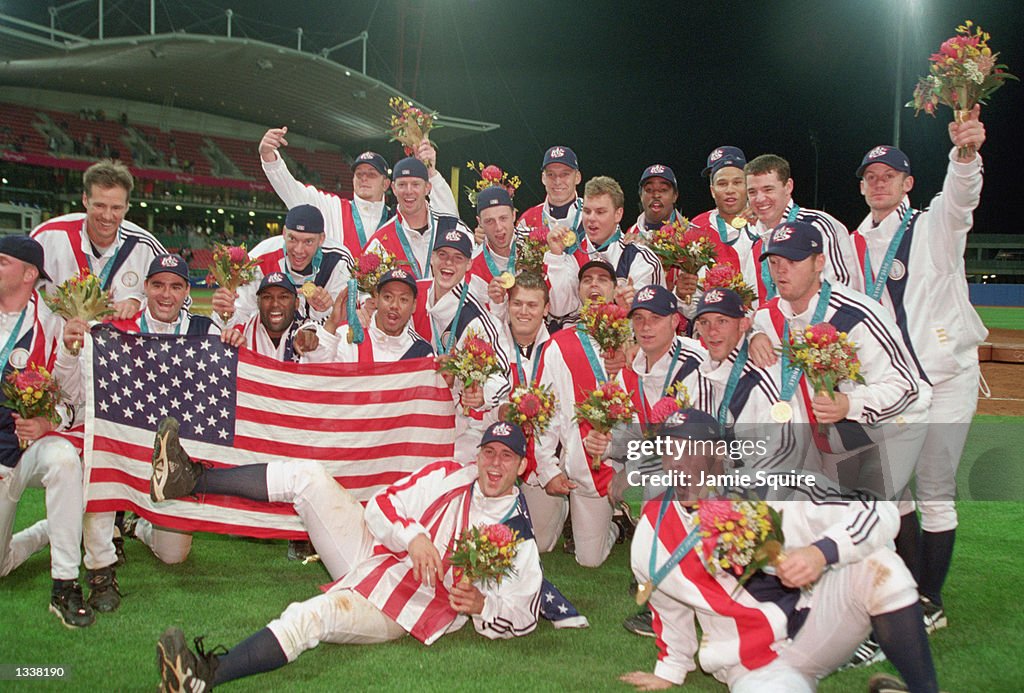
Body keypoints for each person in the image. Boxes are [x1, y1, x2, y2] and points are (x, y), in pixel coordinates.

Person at [152, 420, 541, 691]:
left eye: (507, 457)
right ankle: (190, 479)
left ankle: (204, 676)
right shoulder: (451, 474)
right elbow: (383, 504)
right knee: (308, 477)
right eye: (489, 452)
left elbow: (525, 614)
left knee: (312, 614)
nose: (494, 463)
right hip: (375, 554)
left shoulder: (517, 536)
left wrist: (482, 605)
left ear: (522, 467)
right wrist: (414, 536)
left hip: (403, 607)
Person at [620, 408, 942, 693]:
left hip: (818, 622)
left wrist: (821, 553)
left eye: (690, 448)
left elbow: (877, 511)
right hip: (752, 662)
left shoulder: (771, 487)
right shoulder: (653, 532)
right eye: (669, 450)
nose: (676, 462)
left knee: (879, 566)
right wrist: (671, 669)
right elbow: (667, 607)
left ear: (719, 453)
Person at [850, 105, 988, 630]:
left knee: (933, 487)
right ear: (863, 187)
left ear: (908, 182)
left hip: (946, 377)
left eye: (889, 176)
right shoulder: (857, 242)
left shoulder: (935, 226)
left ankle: (930, 599)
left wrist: (965, 153)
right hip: (894, 386)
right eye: (871, 177)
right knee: (891, 488)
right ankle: (906, 584)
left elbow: (962, 197)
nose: (879, 183)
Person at [747, 221, 929, 501]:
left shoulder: (857, 315)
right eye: (774, 261)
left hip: (892, 427)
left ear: (819, 262)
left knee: (864, 512)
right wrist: (753, 335)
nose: (781, 270)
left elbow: (906, 386)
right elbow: (746, 328)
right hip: (830, 439)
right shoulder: (767, 317)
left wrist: (849, 404)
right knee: (826, 509)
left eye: (793, 261)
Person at [0, 236, 97, 627]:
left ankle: (65, 582)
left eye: (2, 261)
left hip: (28, 448)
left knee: (63, 459)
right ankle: (49, 530)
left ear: (29, 274)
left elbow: (76, 403)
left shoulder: (56, 325)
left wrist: (48, 422)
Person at [110, 254, 220, 565]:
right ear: (145, 287)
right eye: (158, 285)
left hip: (175, 455)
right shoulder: (120, 327)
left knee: (173, 556)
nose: (165, 294)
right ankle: (113, 518)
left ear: (187, 291)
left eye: (175, 286)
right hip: (126, 448)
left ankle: (140, 525)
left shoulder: (204, 330)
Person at [531, 260, 631, 567]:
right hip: (586, 474)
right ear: (579, 291)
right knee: (586, 559)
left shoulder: (640, 338)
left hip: (633, 466)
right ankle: (582, 515)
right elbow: (545, 414)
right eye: (587, 280)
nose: (595, 285)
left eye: (603, 280)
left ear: (615, 290)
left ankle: (625, 516)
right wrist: (548, 469)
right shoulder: (559, 346)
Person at [32, 159, 170, 320]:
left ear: (126, 206)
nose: (107, 216)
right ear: (85, 200)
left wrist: (139, 302)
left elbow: (181, 300)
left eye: (116, 208)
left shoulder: (145, 246)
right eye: (99, 205)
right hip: (63, 342)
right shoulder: (48, 237)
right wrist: (49, 323)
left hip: (120, 343)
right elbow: (15, 292)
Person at [212, 205, 352, 330]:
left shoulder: (339, 263)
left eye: (308, 241)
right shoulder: (260, 258)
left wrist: (324, 311)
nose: (298, 250)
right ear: (284, 233)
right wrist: (227, 314)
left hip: (319, 350)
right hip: (270, 346)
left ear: (321, 239)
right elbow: (241, 315)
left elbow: (346, 325)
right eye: (292, 239)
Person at [744, 154, 861, 303]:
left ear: (788, 187)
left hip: (819, 324)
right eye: (752, 192)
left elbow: (843, 288)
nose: (759, 199)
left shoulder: (817, 225)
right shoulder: (756, 240)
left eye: (768, 189)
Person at [364, 158, 473, 283]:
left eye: (415, 184)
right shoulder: (381, 240)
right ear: (394, 188)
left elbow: (475, 271)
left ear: (427, 188)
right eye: (402, 185)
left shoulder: (453, 227)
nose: (409, 191)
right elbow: (365, 289)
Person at [298, 268, 432, 363]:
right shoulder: (347, 335)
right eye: (387, 297)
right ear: (376, 299)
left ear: (414, 306)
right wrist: (333, 322)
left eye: (403, 300)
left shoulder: (422, 354)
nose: (394, 305)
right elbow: (314, 372)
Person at [691, 147, 762, 306]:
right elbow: (691, 296)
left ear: (748, 185)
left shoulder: (768, 221)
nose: (730, 190)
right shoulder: (697, 228)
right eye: (722, 184)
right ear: (712, 190)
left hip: (767, 324)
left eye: (737, 182)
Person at [625, 164, 683, 243]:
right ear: (641, 196)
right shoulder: (630, 236)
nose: (656, 195)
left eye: (663, 190)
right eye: (649, 190)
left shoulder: (690, 232)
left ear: (675, 196)